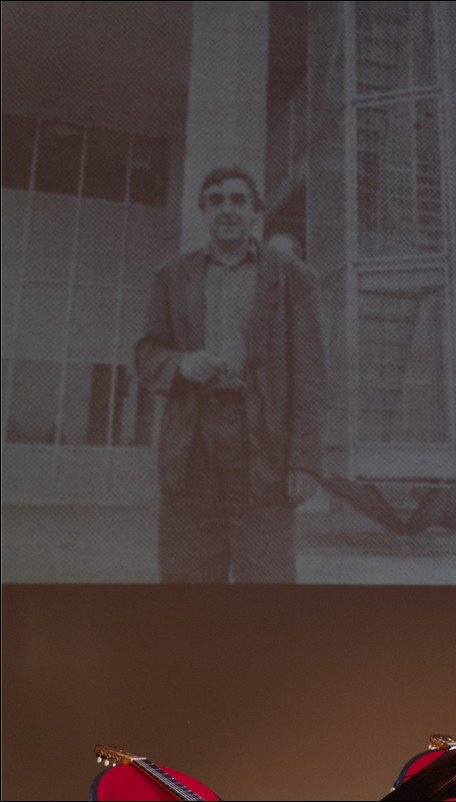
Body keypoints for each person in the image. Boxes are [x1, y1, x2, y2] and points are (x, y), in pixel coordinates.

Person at [135, 167, 325, 583]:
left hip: (260, 450)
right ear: (203, 210)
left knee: (267, 581)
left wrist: (305, 461)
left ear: (256, 212)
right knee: (188, 581)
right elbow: (147, 355)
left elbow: (310, 375)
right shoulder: (171, 276)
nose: (227, 208)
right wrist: (180, 364)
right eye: (216, 199)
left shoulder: (291, 275)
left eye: (239, 200)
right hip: (191, 447)